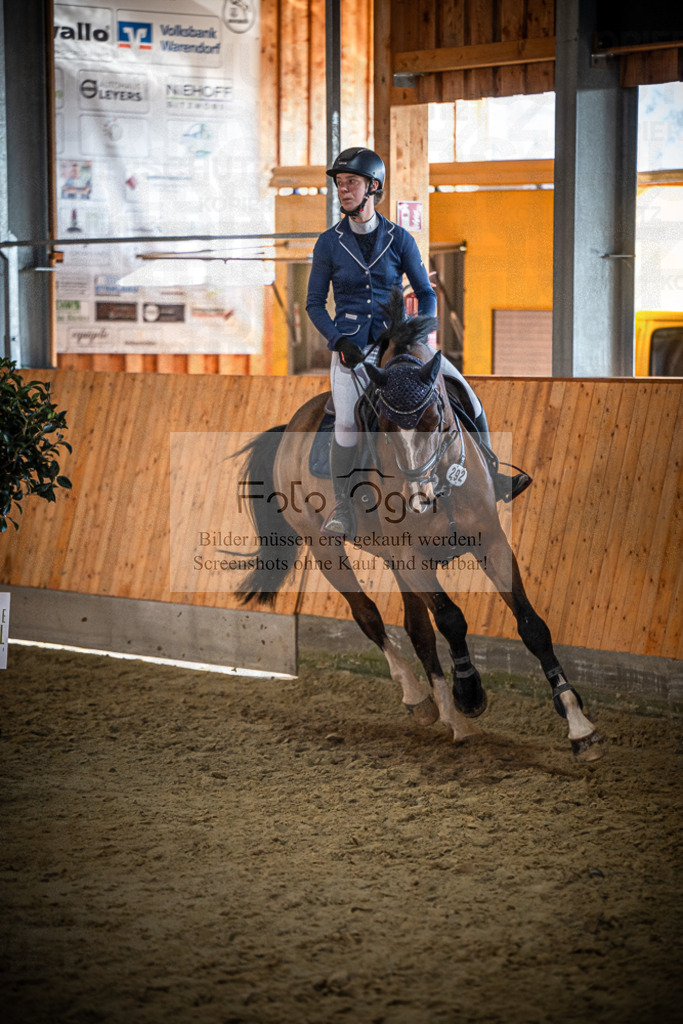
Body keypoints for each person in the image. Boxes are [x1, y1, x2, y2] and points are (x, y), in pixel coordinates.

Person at [306, 146, 530, 538]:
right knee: (345, 421)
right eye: (340, 184)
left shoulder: (399, 238)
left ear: (373, 187)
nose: (343, 190)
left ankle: (492, 475)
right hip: (352, 348)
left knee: (468, 395)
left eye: (351, 183)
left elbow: (426, 293)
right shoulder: (328, 243)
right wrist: (339, 339)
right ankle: (344, 507)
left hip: (401, 342)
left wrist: (418, 334)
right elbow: (313, 304)